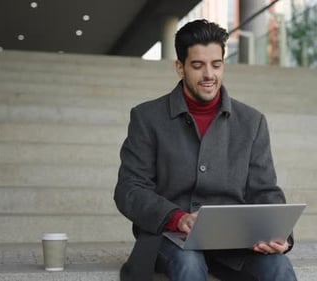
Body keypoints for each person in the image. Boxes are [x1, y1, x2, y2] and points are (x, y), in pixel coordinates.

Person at [114, 19, 297, 281]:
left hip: (235, 241)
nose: (209, 75)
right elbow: (129, 189)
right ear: (180, 67)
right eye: (198, 66)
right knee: (188, 264)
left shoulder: (252, 121)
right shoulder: (147, 117)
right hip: (170, 236)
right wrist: (177, 218)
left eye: (216, 64)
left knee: (279, 267)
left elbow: (264, 191)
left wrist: (280, 235)